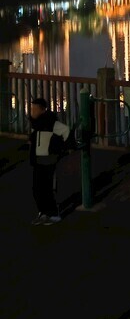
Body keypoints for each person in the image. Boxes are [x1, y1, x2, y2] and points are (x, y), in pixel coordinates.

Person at [29, 96, 72, 225]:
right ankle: (42, 213)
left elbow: (66, 131)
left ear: (42, 110)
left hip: (49, 159)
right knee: (37, 188)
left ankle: (52, 214)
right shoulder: (35, 124)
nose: (32, 112)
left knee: (48, 188)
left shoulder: (51, 122)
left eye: (34, 109)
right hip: (38, 159)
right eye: (31, 109)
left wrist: (60, 148)